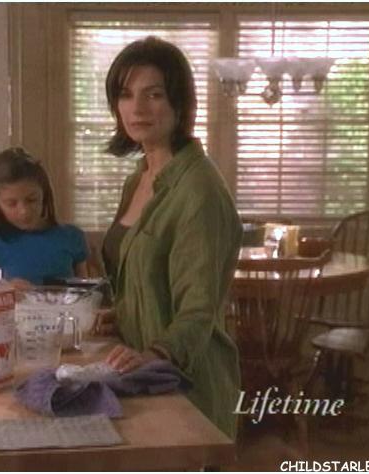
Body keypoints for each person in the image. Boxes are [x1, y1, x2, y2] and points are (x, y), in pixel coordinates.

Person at [97, 36, 242, 439]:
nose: (137, 108)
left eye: (154, 94)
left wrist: (154, 353)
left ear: (179, 103)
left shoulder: (200, 190)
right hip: (138, 380)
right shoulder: (139, 178)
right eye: (126, 95)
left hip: (187, 388)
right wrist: (122, 313)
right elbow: (148, 278)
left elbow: (197, 309)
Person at [0, 147, 89, 288]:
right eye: (11, 204)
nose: (24, 211)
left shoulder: (71, 237)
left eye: (31, 200)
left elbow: (88, 293)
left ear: (44, 195)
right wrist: (1, 288)